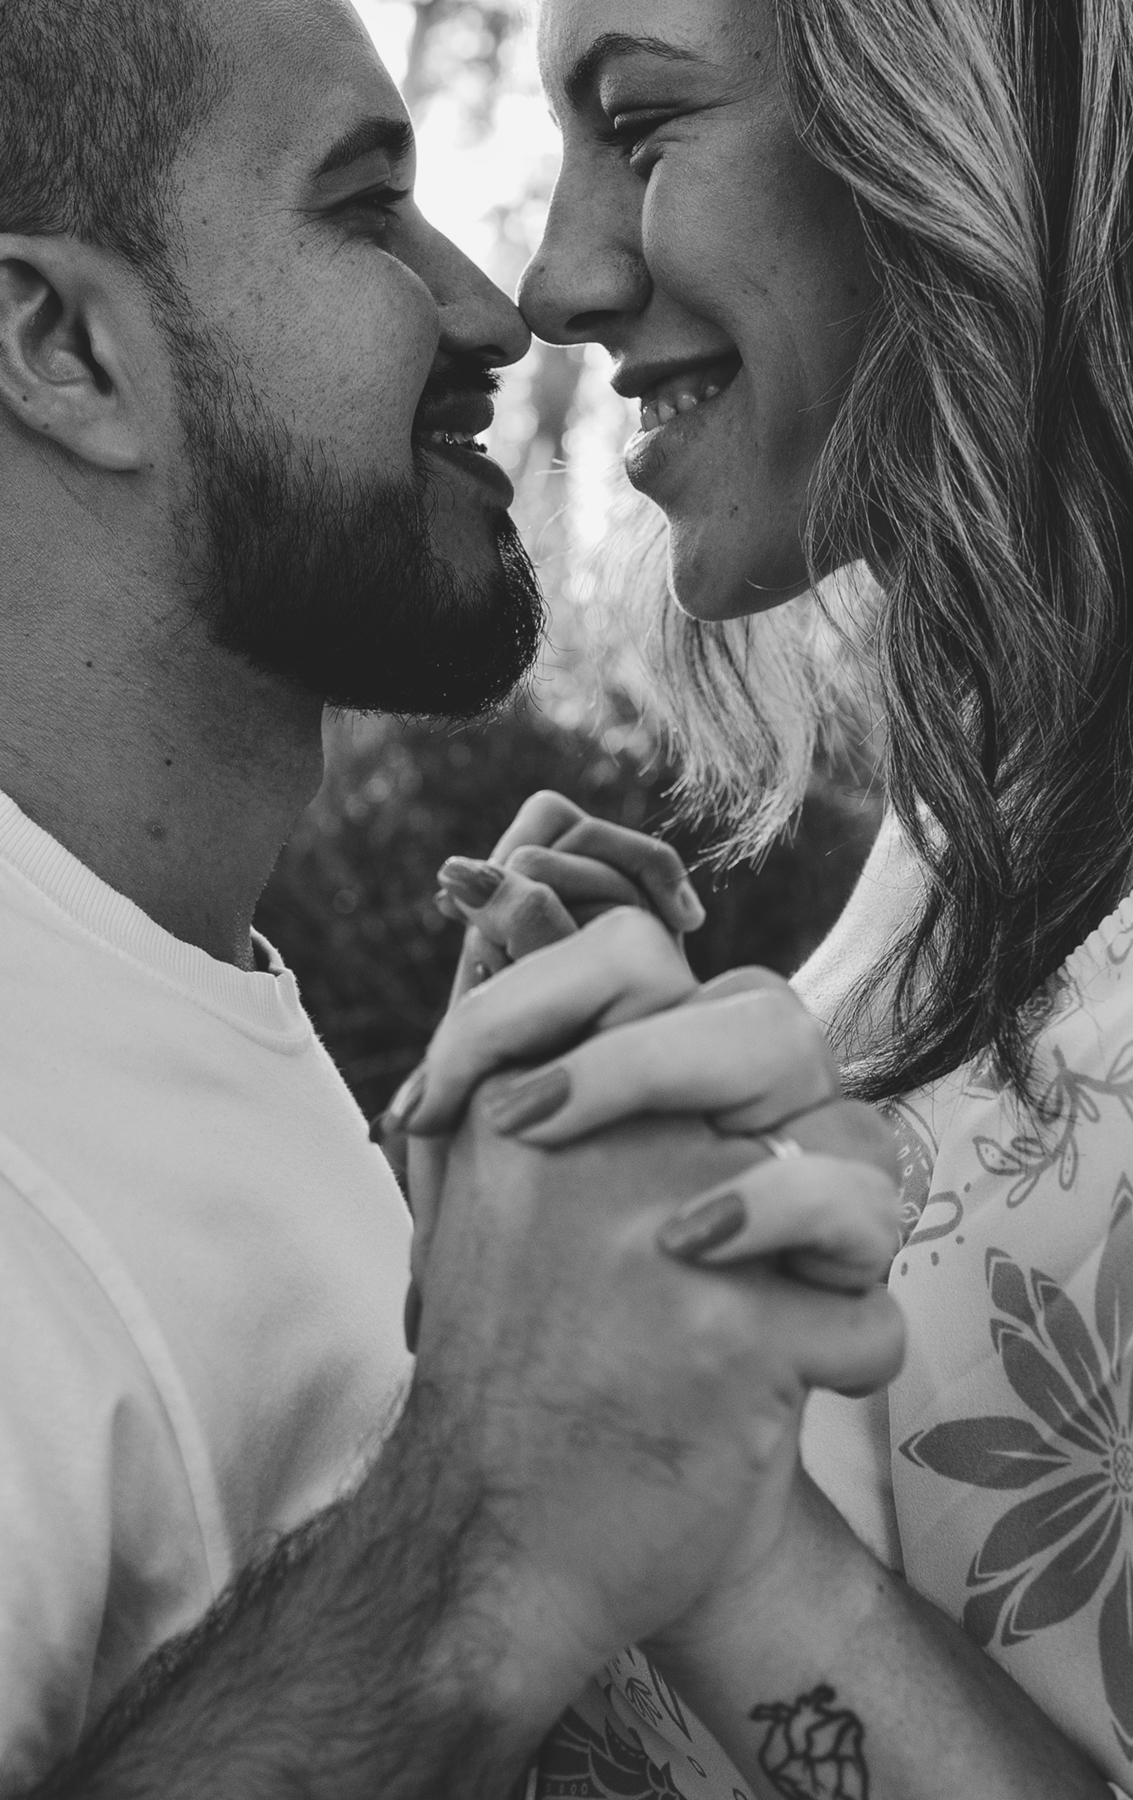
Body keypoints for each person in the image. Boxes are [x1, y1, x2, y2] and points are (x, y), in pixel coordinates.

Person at [0, 0, 913, 1793]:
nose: (497, 308)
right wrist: (488, 1495)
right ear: (63, 347)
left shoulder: (161, 990)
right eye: (363, 211)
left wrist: (504, 1277)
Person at [403, 0, 1133, 1794]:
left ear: (966, 120)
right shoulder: (972, 832)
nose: (553, 281)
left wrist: (730, 1545)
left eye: (643, 126)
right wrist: (584, 1225)